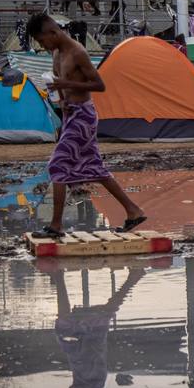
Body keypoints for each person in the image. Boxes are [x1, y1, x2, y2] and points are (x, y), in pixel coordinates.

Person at [27, 12, 147, 237]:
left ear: (53, 33)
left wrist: (67, 83)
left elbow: (99, 85)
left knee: (57, 166)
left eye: (43, 41)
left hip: (84, 116)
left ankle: (55, 226)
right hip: (71, 115)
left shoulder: (78, 52)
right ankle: (133, 210)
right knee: (95, 168)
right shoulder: (56, 53)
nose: (42, 46)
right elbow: (58, 83)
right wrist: (62, 100)